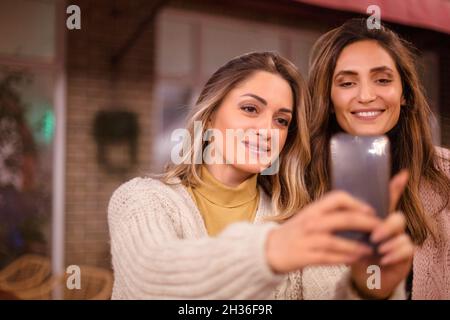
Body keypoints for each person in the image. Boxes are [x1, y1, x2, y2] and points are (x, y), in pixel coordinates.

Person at [108, 51, 413, 299]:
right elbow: (150, 279)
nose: (267, 131)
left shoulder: (292, 218)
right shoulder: (140, 198)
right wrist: (271, 251)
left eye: (281, 120)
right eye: (251, 109)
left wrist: (368, 290)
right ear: (211, 116)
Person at [307, 18, 450, 299]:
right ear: (328, 98)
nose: (366, 95)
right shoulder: (297, 179)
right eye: (347, 83)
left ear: (405, 93)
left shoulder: (446, 173)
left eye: (382, 80)